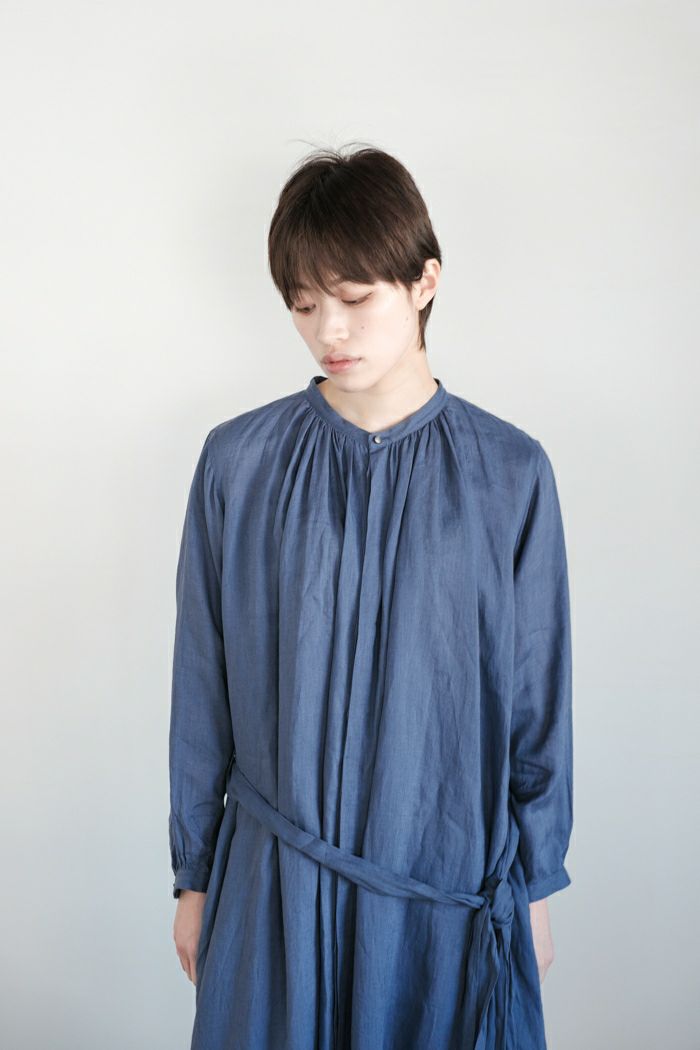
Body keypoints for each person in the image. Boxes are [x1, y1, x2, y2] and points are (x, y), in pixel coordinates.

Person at [169, 144, 574, 1050]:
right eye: (304, 305)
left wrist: (536, 888)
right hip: (273, 886)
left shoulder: (510, 474)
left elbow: (535, 701)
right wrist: (194, 877)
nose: (330, 331)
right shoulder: (238, 463)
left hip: (443, 887)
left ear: (424, 281)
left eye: (354, 298)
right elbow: (202, 686)